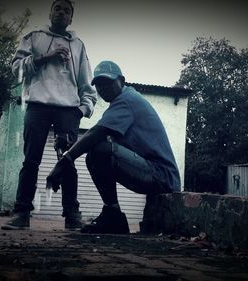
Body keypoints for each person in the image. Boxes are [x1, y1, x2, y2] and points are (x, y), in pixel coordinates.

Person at [46, 61, 181, 234]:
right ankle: (113, 213)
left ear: (122, 81)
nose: (103, 89)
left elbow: (97, 134)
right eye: (99, 85)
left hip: (162, 176)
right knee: (97, 151)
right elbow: (102, 138)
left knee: (98, 151)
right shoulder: (121, 104)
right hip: (156, 174)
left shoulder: (127, 100)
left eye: (108, 83)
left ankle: (113, 215)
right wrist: (69, 147)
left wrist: (65, 160)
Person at [2, 0, 97, 230]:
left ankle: (72, 216)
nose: (61, 13)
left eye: (67, 10)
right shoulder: (34, 37)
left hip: (68, 110)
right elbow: (16, 70)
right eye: (58, 8)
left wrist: (81, 111)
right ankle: (22, 214)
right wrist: (47, 56)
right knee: (31, 160)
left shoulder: (78, 45)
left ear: (71, 19)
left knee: (68, 161)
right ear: (50, 12)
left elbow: (87, 85)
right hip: (38, 106)